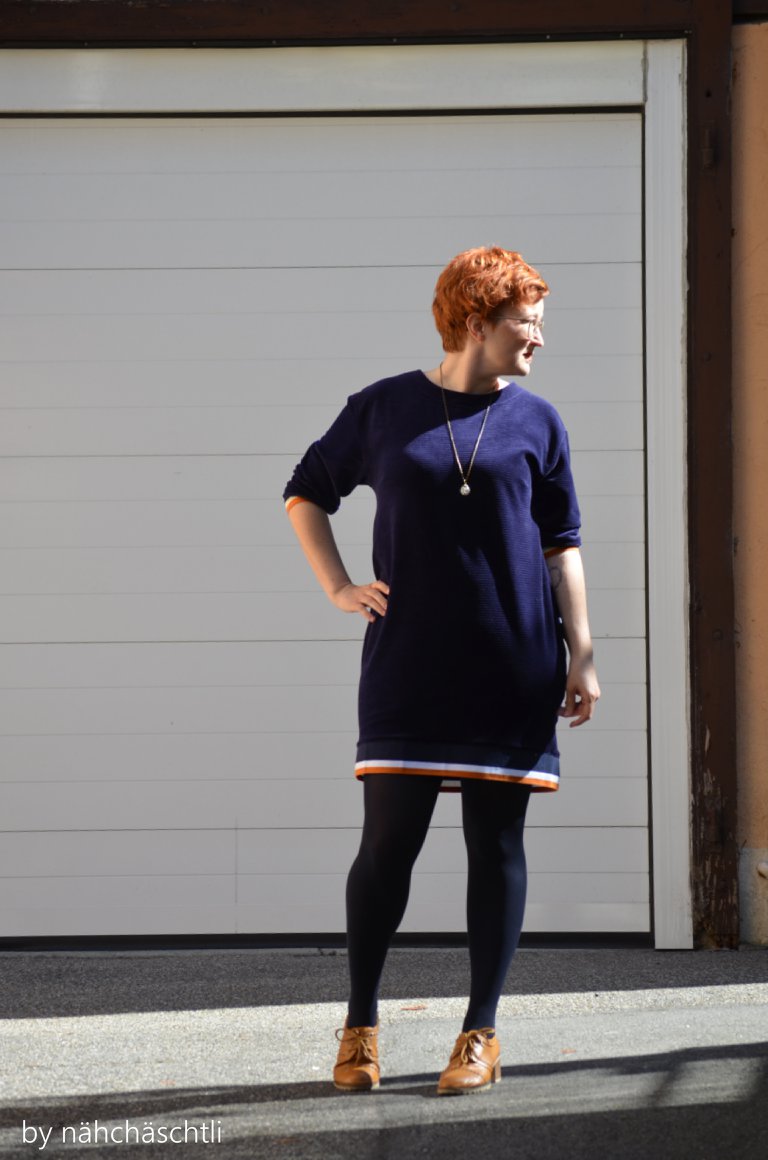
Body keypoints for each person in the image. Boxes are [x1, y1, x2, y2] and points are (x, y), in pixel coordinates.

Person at [283, 246, 600, 1095]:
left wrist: (583, 654)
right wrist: (340, 587)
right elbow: (305, 492)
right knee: (388, 845)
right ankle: (360, 1026)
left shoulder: (539, 422)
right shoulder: (384, 408)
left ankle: (479, 1033)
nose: (539, 340)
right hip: (409, 665)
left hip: (512, 663)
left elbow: (561, 546)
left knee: (495, 845)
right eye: (526, 324)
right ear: (475, 321)